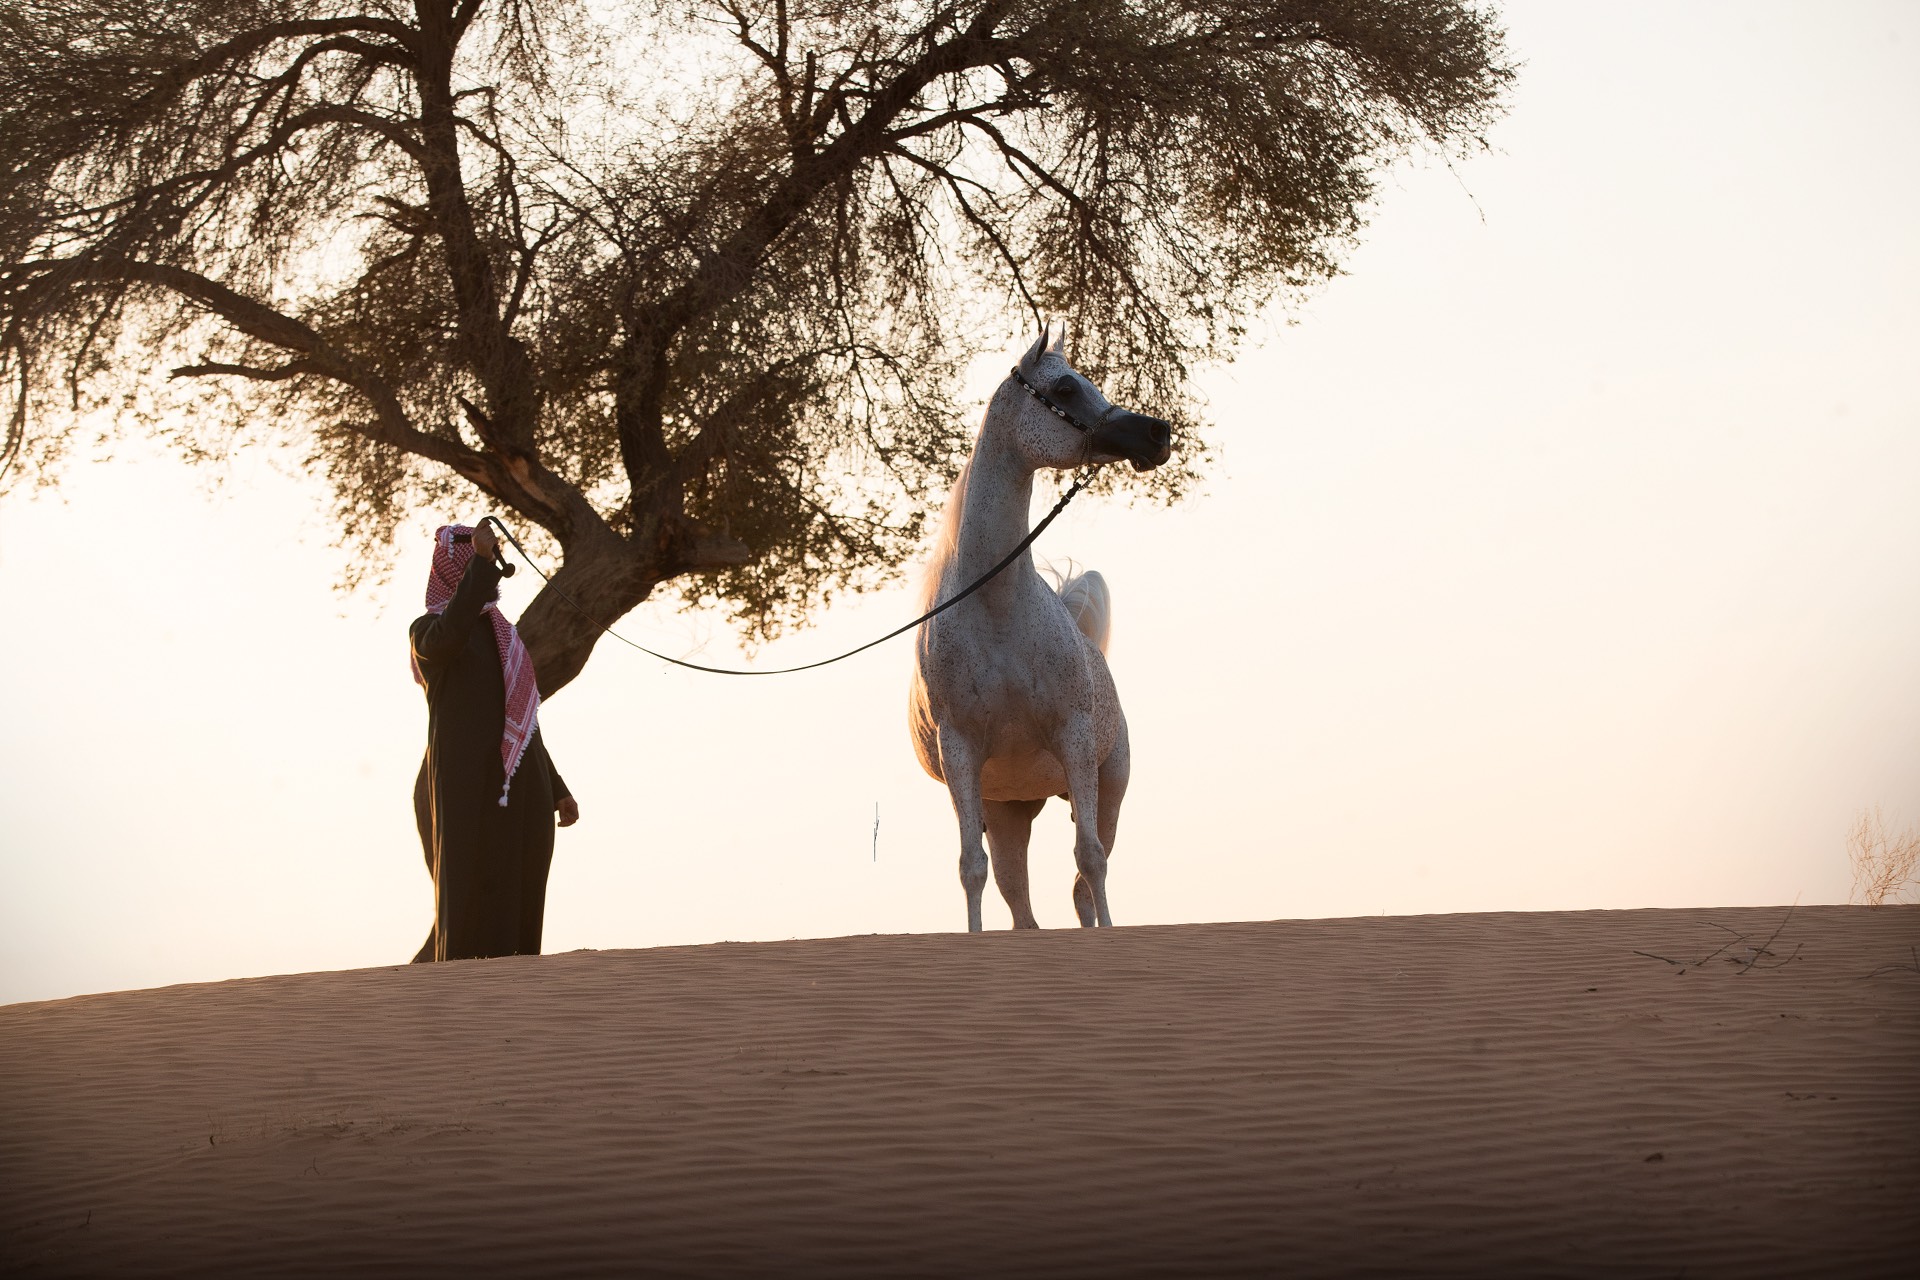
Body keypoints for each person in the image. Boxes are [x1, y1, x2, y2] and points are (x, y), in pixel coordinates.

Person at [408, 520, 579, 961]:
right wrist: (481, 568)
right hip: (468, 786)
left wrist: (557, 788)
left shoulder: (506, 639)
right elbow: (450, 632)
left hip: (520, 786)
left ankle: (516, 992)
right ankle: (461, 999)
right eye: (469, 556)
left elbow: (522, 722)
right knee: (468, 887)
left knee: (520, 884)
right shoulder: (428, 633)